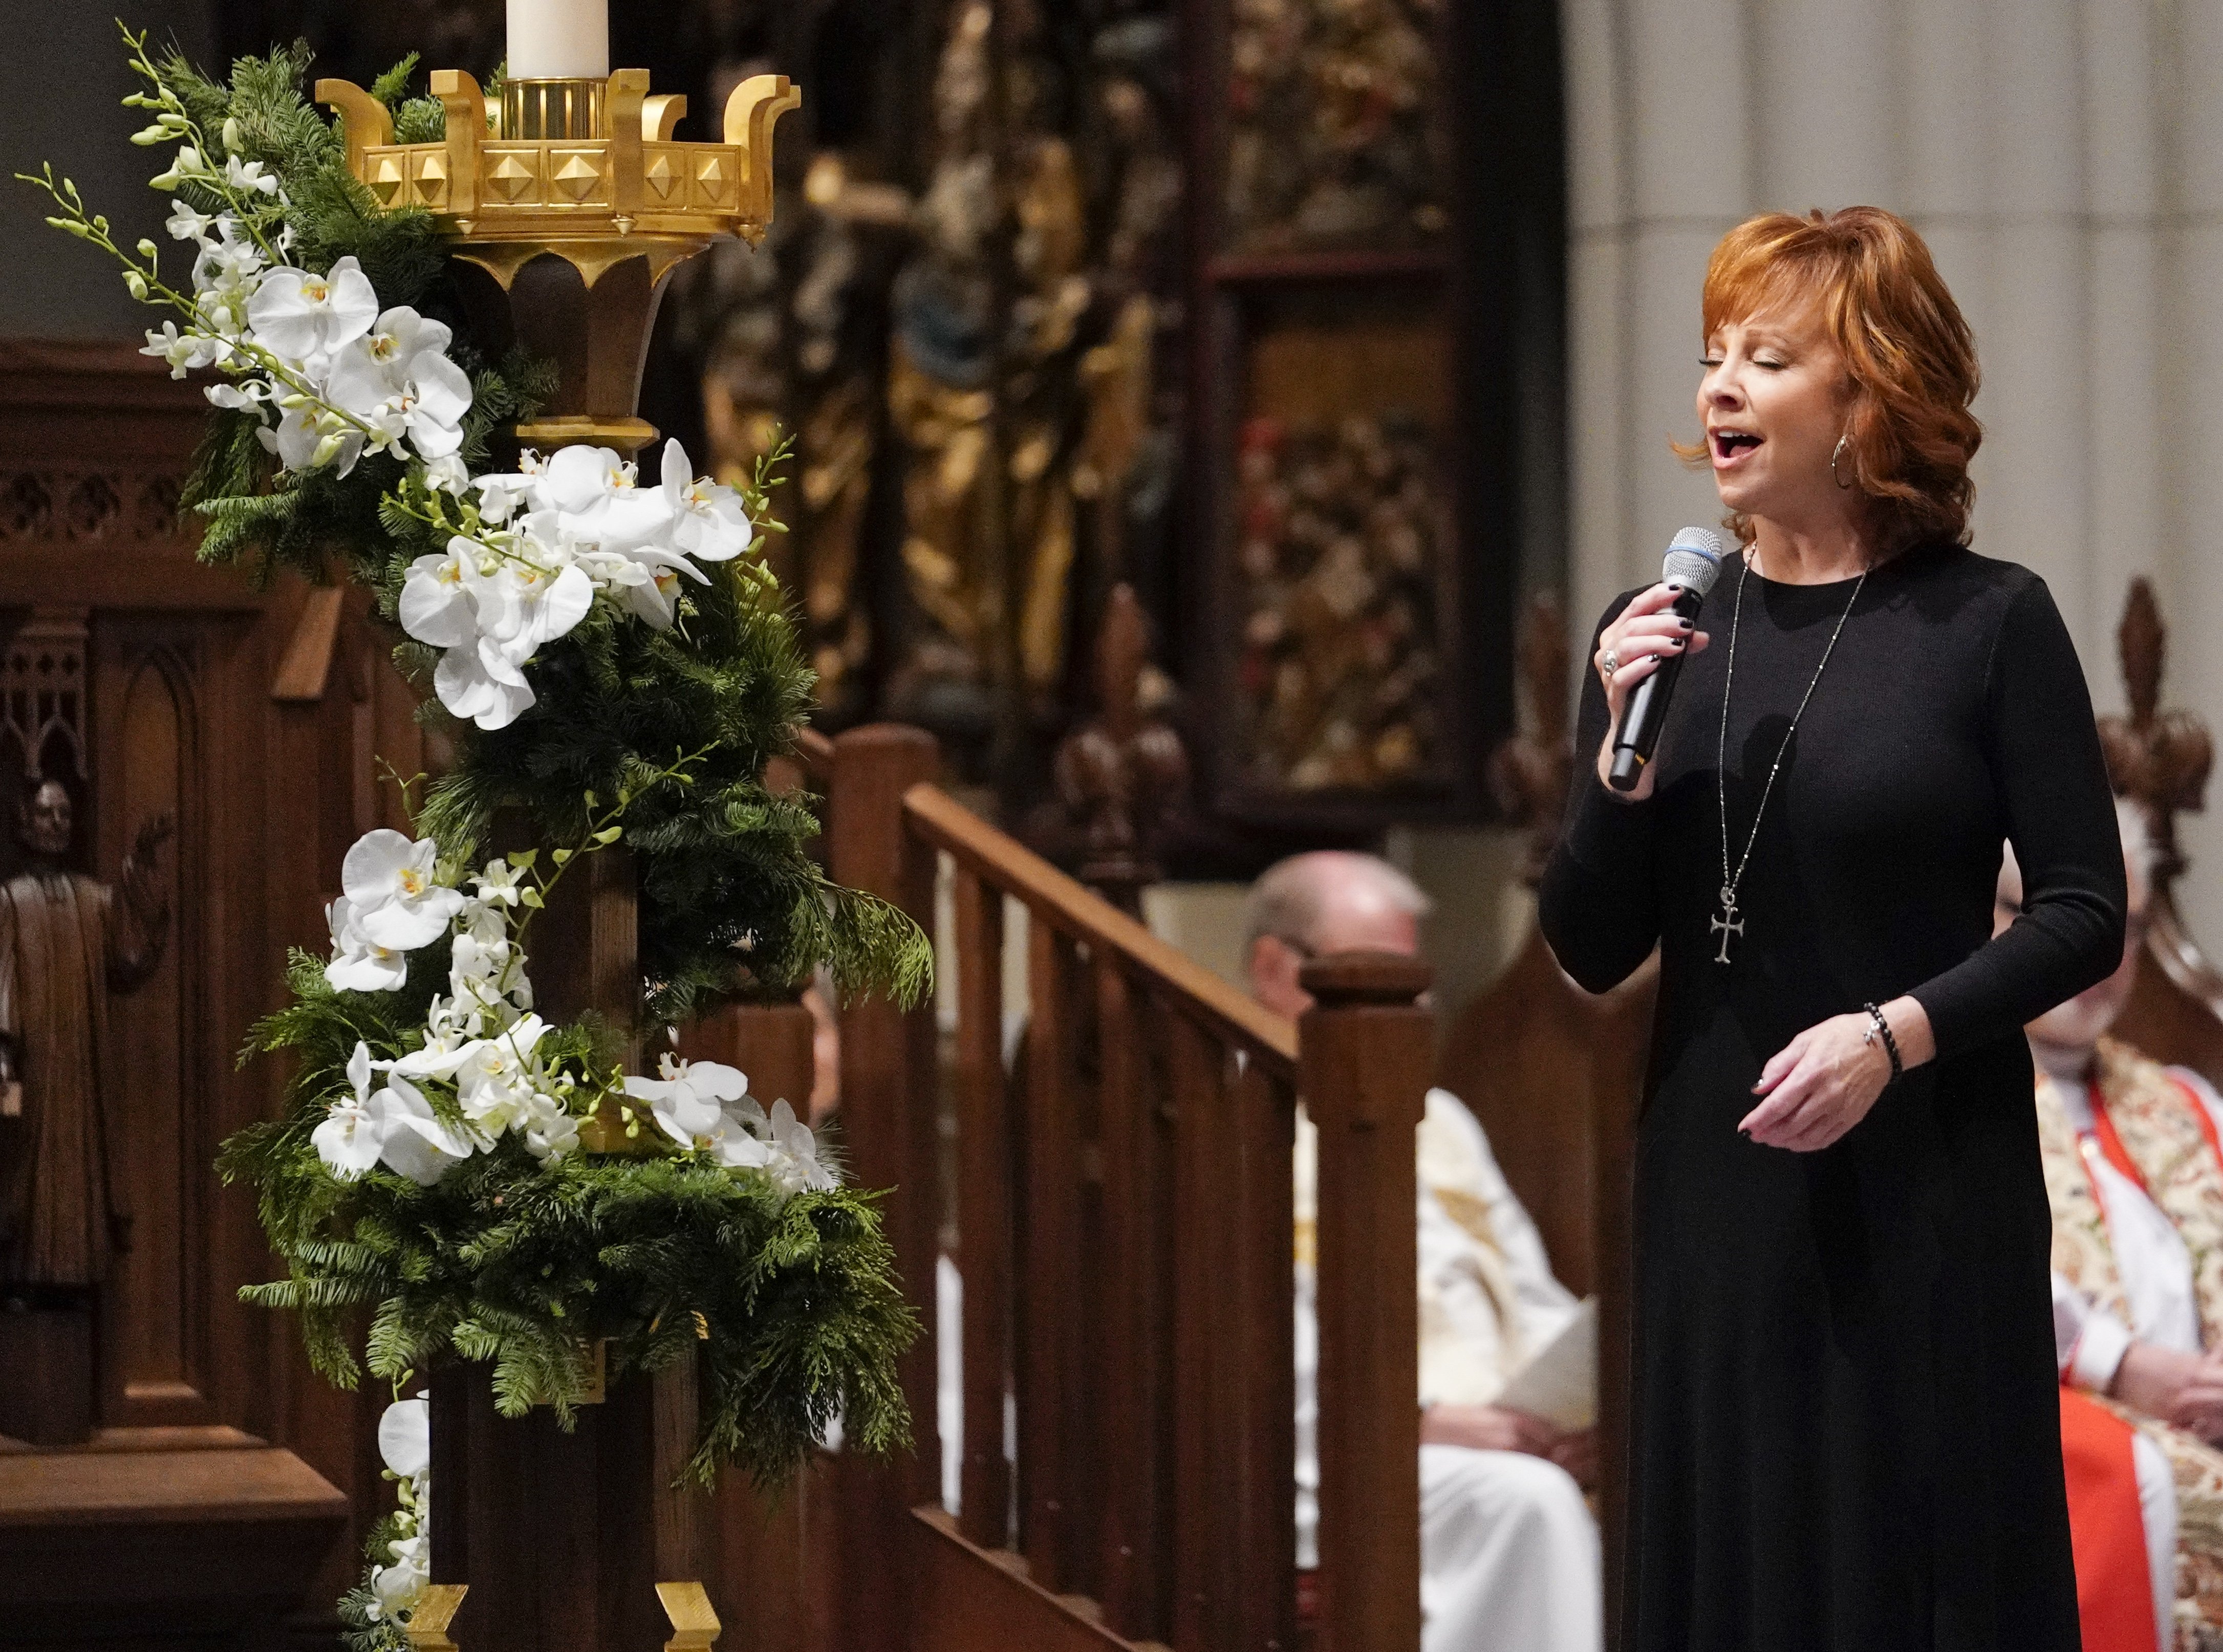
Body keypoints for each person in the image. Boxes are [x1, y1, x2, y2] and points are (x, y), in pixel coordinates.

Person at [1538, 207, 2126, 1650]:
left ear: (1864, 393)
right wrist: (1615, 746)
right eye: (1708, 357)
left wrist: (1892, 1035)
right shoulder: (1657, 632)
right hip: (1713, 1185)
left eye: (1764, 358)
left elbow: (2080, 913)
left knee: (1907, 1568)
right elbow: (1585, 944)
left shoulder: (1983, 625)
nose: (1715, 389)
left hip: (1921, 1173)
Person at [1246, 850, 1601, 1652]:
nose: (1409, 1014)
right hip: (1335, 1451)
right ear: (1274, 969)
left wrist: (1571, 1411)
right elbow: (1236, 1345)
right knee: (1526, 1504)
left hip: (1501, 1440)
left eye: (1412, 988)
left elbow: (1529, 1295)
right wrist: (1417, 1421)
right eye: (1372, 986)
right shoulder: (1230, 1115)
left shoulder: (1438, 1119)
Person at [2001, 806, 2223, 1650]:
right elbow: (1981, 1273)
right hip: (2061, 1433)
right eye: (2065, 913)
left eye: (2123, 927)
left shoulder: (2185, 1103)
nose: (2097, 954)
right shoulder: (1943, 1101)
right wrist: (2122, 1365)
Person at [0, 779, 170, 1288]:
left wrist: (142, 860)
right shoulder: (10, 900)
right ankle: (22, 1270)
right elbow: (1, 981)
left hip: (82, 1060)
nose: (56, 825)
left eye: (65, 815)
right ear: (23, 823)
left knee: (81, 1159)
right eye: (45, 814)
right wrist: (4, 1054)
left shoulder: (94, 900)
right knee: (21, 1157)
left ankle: (74, 1271)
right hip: (25, 1064)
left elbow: (128, 959)